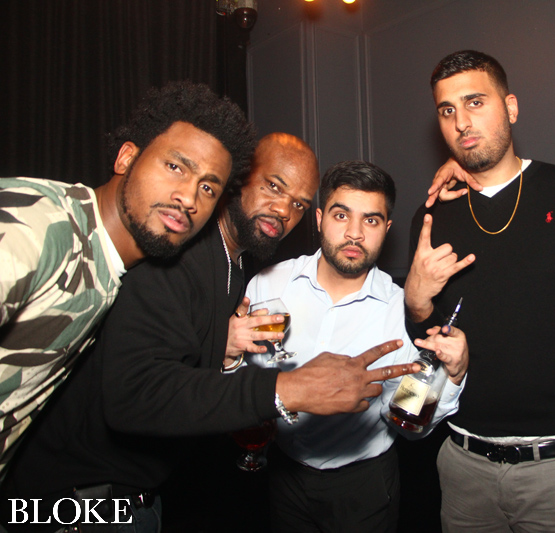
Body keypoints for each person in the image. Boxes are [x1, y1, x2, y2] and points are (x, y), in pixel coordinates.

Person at [1, 135, 420, 532]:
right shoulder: (222, 266)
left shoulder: (396, 305)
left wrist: (437, 384)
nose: (282, 210)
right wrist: (283, 388)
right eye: (273, 186)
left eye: (296, 202)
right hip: (81, 497)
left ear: (386, 227)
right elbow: (136, 391)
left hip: (355, 482)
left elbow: (408, 411)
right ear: (322, 219)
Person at [0, 81, 255, 472]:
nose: (189, 198)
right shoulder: (39, 226)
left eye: (207, 187)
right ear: (126, 158)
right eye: (175, 167)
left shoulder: (107, 272)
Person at [404, 50, 555, 532]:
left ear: (511, 108)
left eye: (475, 102)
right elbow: (428, 343)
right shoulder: (432, 217)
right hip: (462, 463)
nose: (461, 121)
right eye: (447, 109)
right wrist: (416, 301)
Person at [244, 159, 468, 532]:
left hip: (363, 485)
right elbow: (242, 380)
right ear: (319, 219)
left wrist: (452, 376)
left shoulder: (401, 312)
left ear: (387, 229)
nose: (354, 234)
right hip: (283, 473)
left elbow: (407, 421)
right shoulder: (269, 285)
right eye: (341, 215)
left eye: (371, 220)